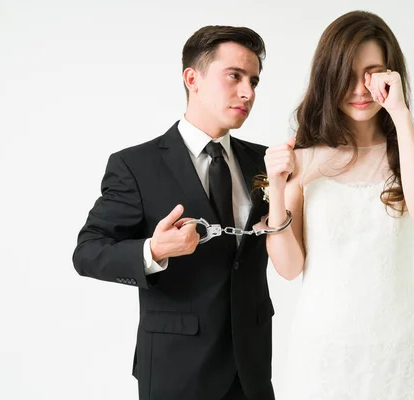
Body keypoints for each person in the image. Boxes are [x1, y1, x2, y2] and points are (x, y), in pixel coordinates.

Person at [73, 25, 275, 400]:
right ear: (192, 78)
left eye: (254, 81)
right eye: (234, 76)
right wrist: (154, 250)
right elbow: (87, 253)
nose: (248, 92)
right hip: (176, 370)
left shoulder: (266, 162)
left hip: (252, 370)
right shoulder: (135, 165)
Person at [262, 10, 414, 399]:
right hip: (324, 349)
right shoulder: (305, 159)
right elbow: (289, 267)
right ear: (329, 76)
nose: (360, 89)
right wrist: (276, 190)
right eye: (347, 74)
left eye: (373, 73)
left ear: (391, 76)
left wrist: (400, 113)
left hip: (396, 347)